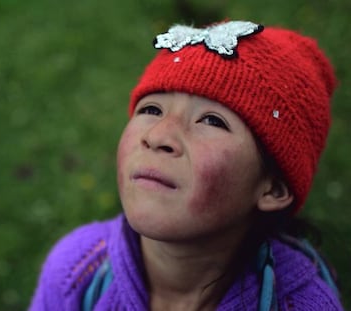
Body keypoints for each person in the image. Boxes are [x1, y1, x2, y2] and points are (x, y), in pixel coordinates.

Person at [29, 20, 344, 310]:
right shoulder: (76, 269)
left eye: (211, 120)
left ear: (273, 187)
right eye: (151, 109)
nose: (158, 135)